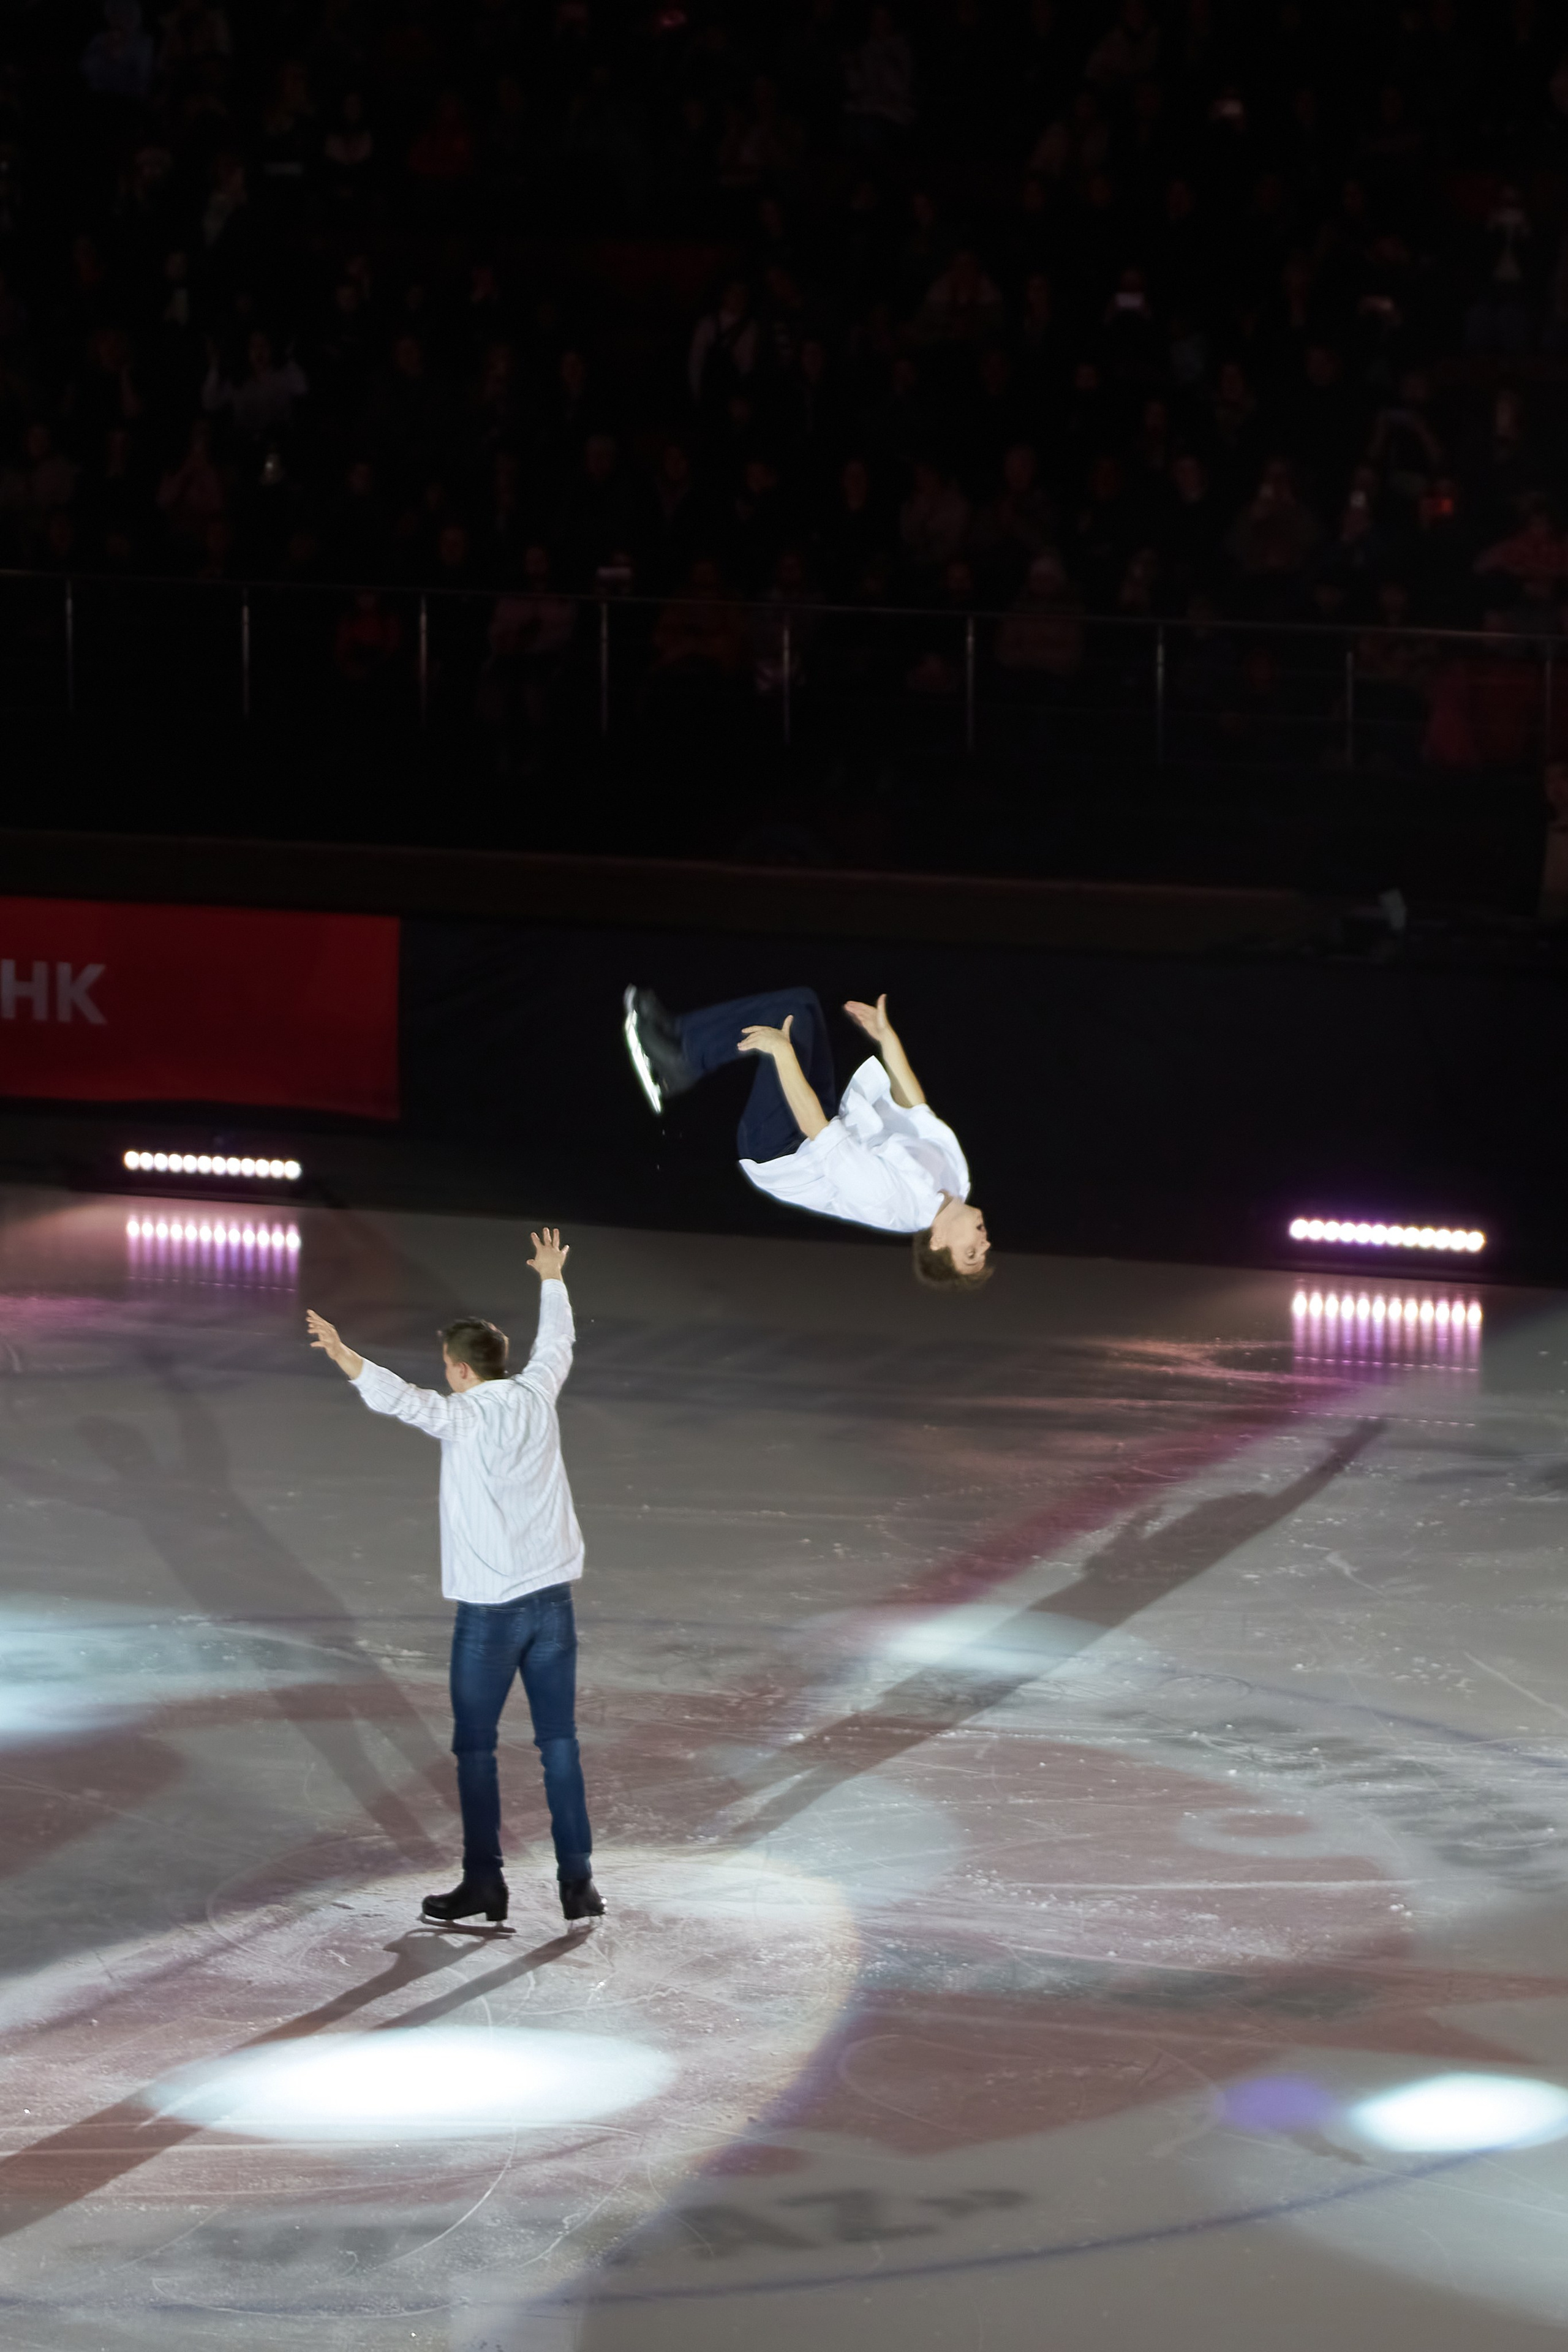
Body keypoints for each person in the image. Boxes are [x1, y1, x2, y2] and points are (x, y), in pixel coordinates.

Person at [304, 1229, 603, 1929]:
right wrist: (552, 1278)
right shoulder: (535, 1395)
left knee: (476, 1749)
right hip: (553, 1605)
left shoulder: (461, 1417)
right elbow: (557, 1345)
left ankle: (484, 1885)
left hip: (492, 1617)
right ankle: (577, 1884)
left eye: (446, 1366)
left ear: (462, 1370)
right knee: (558, 1744)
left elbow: (404, 1401)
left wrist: (347, 1356)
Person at [622, 986, 992, 1287]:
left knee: (787, 1033)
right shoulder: (958, 1179)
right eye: (983, 1251)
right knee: (798, 1006)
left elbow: (819, 1132)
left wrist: (782, 1054)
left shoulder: (892, 1202)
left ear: (938, 1241)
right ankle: (676, 1049)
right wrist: (887, 1039)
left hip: (783, 1152)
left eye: (971, 1253)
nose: (985, 1243)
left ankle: (677, 1061)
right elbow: (916, 1111)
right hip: (822, 1125)